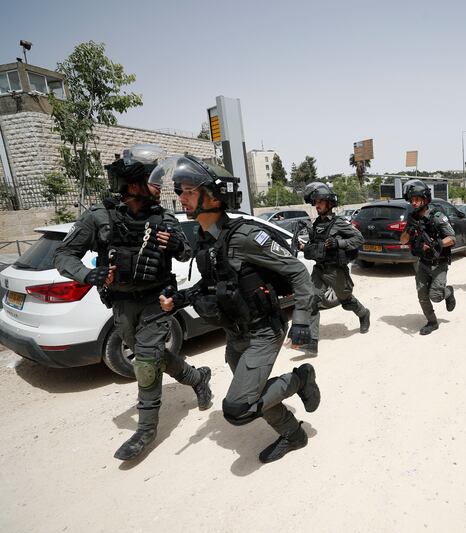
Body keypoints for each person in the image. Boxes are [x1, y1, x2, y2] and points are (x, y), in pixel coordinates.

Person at [157, 155, 320, 464]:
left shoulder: (245, 236)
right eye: (180, 191)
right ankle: (293, 435)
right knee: (254, 395)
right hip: (235, 334)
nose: (181, 198)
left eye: (189, 191)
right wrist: (177, 300)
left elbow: (298, 271)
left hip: (263, 331)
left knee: (238, 408)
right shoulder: (206, 240)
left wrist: (302, 321)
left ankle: (300, 379)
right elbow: (210, 286)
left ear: (214, 197)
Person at [54, 144, 211, 461]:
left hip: (158, 299)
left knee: (146, 361)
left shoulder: (163, 216)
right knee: (149, 356)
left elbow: (184, 254)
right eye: (153, 178)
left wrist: (178, 242)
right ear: (134, 182)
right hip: (122, 305)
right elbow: (64, 255)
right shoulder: (100, 217)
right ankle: (197, 378)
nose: (160, 184)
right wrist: (89, 274)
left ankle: (146, 429)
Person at [299, 181, 370, 354]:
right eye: (315, 202)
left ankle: (363, 314)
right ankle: (312, 342)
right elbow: (316, 245)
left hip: (335, 270)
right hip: (319, 269)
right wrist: (304, 247)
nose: (317, 205)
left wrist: (340, 242)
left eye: (320, 202)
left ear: (329, 203)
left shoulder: (339, 223)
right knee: (312, 300)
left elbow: (359, 239)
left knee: (346, 300)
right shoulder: (315, 224)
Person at [399, 179, 457, 335]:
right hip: (422, 263)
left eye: (417, 199)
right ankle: (432, 322)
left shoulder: (436, 216)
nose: (414, 203)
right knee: (422, 295)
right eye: (412, 200)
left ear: (425, 199)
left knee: (436, 296)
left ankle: (448, 292)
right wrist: (408, 231)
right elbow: (402, 240)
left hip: (439, 263)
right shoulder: (412, 218)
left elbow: (452, 238)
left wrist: (436, 243)